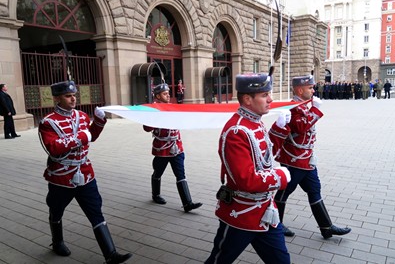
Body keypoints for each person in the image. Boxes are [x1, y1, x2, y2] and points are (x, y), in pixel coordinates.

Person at [38, 80, 132, 263]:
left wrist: (98, 122)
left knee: (95, 211)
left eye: (74, 95)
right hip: (61, 177)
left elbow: (92, 136)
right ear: (57, 98)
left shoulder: (81, 116)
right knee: (56, 210)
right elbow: (54, 148)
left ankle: (110, 254)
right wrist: (83, 136)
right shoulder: (48, 122)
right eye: (68, 96)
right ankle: (57, 242)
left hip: (85, 172)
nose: (73, 99)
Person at [205, 73, 292, 264]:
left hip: (266, 211)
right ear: (247, 99)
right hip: (241, 215)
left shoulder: (255, 122)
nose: (270, 99)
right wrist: (281, 176)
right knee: (219, 260)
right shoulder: (236, 131)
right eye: (264, 95)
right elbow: (246, 179)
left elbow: (265, 157)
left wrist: (279, 129)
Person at [274, 75, 351, 239]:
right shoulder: (293, 107)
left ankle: (326, 227)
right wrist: (315, 110)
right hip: (293, 158)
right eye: (310, 87)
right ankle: (275, 225)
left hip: (305, 158)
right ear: (300, 90)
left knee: (314, 190)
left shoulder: (303, 105)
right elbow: (300, 127)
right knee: (284, 192)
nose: (313, 90)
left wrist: (312, 108)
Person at [144, 83, 202, 212]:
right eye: (165, 93)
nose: (168, 95)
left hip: (176, 147)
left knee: (180, 174)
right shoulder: (153, 109)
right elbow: (146, 128)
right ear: (158, 96)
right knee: (158, 172)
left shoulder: (172, 107)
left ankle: (187, 203)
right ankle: (156, 194)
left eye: (168, 93)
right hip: (162, 149)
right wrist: (156, 117)